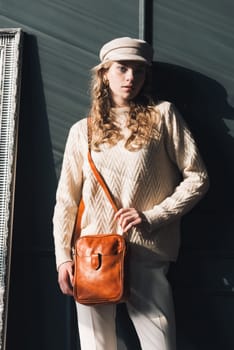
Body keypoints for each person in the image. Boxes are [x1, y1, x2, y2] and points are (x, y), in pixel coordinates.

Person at [53, 37, 209, 350]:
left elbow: (198, 177)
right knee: (97, 346)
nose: (130, 78)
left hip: (146, 254)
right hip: (93, 257)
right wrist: (62, 259)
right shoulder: (81, 131)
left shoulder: (163, 116)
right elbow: (66, 202)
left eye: (138, 71)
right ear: (104, 74)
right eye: (122, 69)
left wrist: (152, 216)